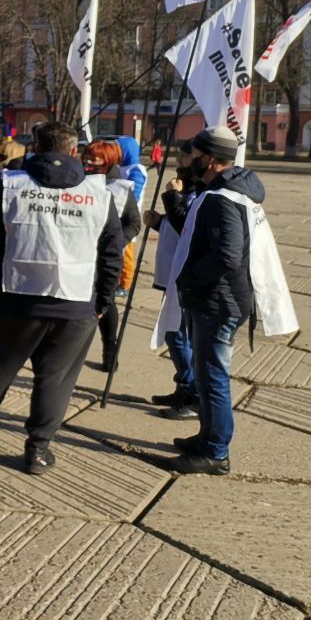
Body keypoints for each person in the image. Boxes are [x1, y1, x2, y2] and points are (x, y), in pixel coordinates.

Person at [0, 121, 123, 476]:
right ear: (73, 151)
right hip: (75, 302)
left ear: (34, 147)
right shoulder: (100, 191)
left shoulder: (13, 184)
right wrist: (103, 300)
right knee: (56, 379)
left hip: (15, 295)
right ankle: (37, 450)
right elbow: (112, 250)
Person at [158, 126, 292, 475]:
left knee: (213, 376)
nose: (192, 160)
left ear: (212, 160)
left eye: (197, 155)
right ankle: (207, 436)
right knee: (205, 375)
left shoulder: (222, 198)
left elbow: (227, 255)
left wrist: (188, 276)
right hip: (219, 298)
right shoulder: (225, 189)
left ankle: (216, 452)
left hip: (219, 301)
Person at [144, 141, 201, 415]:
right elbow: (176, 224)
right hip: (172, 272)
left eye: (185, 155)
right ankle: (184, 386)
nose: (179, 160)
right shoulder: (186, 189)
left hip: (185, 275)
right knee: (174, 334)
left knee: (176, 335)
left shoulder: (197, 192)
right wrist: (157, 221)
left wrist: (172, 197)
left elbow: (187, 225)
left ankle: (192, 391)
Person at [81, 139, 141, 371]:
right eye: (86, 156)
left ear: (108, 160)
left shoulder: (121, 188)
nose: (88, 161)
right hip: (78, 253)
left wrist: (115, 243)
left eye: (94, 158)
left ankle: (110, 349)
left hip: (105, 257)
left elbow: (133, 223)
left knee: (106, 302)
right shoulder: (77, 180)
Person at [116, 135, 148, 205]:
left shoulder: (136, 170)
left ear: (126, 151)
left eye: (117, 150)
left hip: (128, 212)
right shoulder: (118, 167)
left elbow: (133, 196)